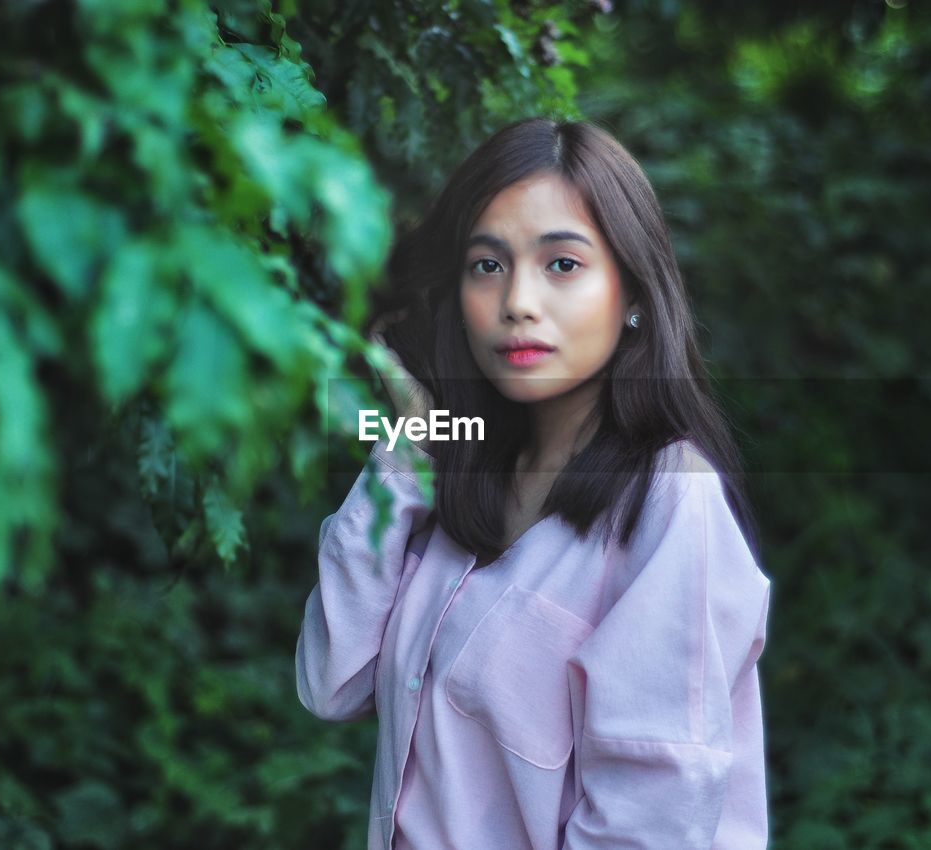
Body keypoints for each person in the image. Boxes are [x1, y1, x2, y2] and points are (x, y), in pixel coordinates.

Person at [296, 117, 772, 849]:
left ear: (634, 293)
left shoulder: (669, 503)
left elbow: (649, 824)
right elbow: (333, 680)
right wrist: (409, 449)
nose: (518, 300)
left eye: (562, 265)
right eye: (487, 265)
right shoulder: (464, 476)